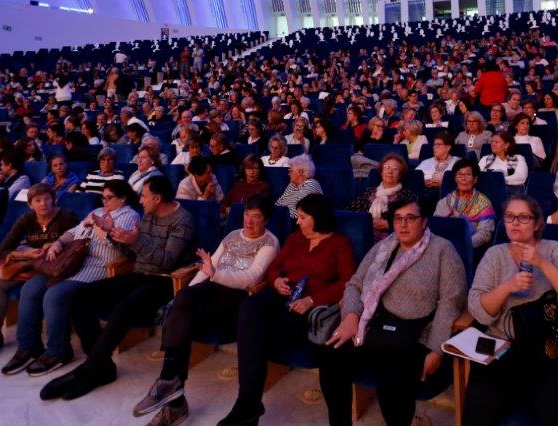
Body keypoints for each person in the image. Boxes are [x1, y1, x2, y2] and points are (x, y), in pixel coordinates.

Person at [40, 176, 194, 401]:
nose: (140, 201)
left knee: (124, 308)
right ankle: (101, 367)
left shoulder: (182, 220)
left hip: (164, 280)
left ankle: (89, 369)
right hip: (138, 274)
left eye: (144, 196)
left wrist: (135, 241)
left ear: (158, 198)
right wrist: (114, 235)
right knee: (77, 298)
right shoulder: (149, 215)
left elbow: (166, 261)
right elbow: (132, 253)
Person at [319, 195, 465, 426]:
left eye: (410, 218)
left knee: (392, 381)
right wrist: (351, 316)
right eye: (398, 219)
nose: (403, 225)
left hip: (414, 336)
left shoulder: (443, 251)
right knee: (330, 357)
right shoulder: (383, 247)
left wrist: (436, 349)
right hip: (373, 326)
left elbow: (451, 303)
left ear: (424, 221)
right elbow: (355, 283)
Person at [132, 195, 280, 423]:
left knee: (180, 323)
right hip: (213, 288)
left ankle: (173, 397)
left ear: (266, 220)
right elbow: (208, 267)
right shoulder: (231, 235)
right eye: (246, 215)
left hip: (237, 298)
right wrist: (185, 296)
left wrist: (215, 275)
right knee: (183, 300)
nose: (249, 222)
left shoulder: (270, 243)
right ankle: (170, 381)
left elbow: (250, 277)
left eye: (256, 217)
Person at [220, 194, 355, 425]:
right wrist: (275, 281)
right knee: (250, 307)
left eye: (303, 217)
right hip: (282, 295)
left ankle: (248, 407)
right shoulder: (295, 239)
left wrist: (313, 300)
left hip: (310, 306)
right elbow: (274, 268)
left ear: (317, 218)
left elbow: (348, 282)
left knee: (257, 335)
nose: (298, 221)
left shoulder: (339, 243)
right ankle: (247, 402)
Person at [464, 196, 558, 424]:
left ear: (537, 224)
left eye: (523, 217)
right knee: (479, 403)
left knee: (552, 406)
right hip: (504, 348)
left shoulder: (554, 250)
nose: (515, 222)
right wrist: (508, 286)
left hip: (552, 348)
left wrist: (542, 264)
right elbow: (477, 308)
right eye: (509, 217)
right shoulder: (495, 255)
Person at [10, 180, 141, 377]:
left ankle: (59, 351)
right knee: (30, 288)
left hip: (99, 267)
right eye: (103, 197)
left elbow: (120, 245)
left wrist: (99, 228)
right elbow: (73, 232)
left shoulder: (130, 215)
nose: (104, 201)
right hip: (73, 261)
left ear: (123, 198)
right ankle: (28, 346)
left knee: (54, 295)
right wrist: (57, 243)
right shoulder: (96, 211)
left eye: (109, 197)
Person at [0, 184, 78, 366]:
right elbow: (4, 249)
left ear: (54, 200)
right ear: (30, 204)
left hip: (50, 269)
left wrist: (55, 246)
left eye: (47, 199)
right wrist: (26, 253)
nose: (43, 204)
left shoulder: (66, 217)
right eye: (37, 200)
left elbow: (77, 245)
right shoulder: (26, 219)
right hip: (25, 266)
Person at [350, 153, 420, 240]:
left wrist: (389, 224)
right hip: (362, 235)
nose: (390, 172)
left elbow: (413, 222)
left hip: (391, 238)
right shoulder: (370, 192)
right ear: (381, 171)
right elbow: (351, 213)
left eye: (395, 169)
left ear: (400, 175)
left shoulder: (407, 196)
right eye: (387, 167)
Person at [434, 158, 497, 249]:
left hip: (470, 249)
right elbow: (436, 227)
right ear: (455, 178)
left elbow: (485, 234)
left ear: (475, 179)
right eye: (459, 174)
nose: (463, 178)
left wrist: (464, 245)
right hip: (444, 248)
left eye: (468, 174)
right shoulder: (444, 202)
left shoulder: (483, 203)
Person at [478, 131, 529, 197]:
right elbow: (478, 176)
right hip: (488, 193)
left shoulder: (518, 159)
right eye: (492, 142)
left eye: (496, 142)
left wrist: (496, 178)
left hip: (511, 194)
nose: (493, 144)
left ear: (506, 145)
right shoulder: (485, 159)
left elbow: (521, 178)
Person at [275, 154, 323, 218]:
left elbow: (298, 212)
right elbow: (278, 203)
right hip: (284, 219)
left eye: (291, 170)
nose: (289, 174)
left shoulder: (312, 184)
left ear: (300, 172)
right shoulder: (291, 185)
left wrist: (278, 214)